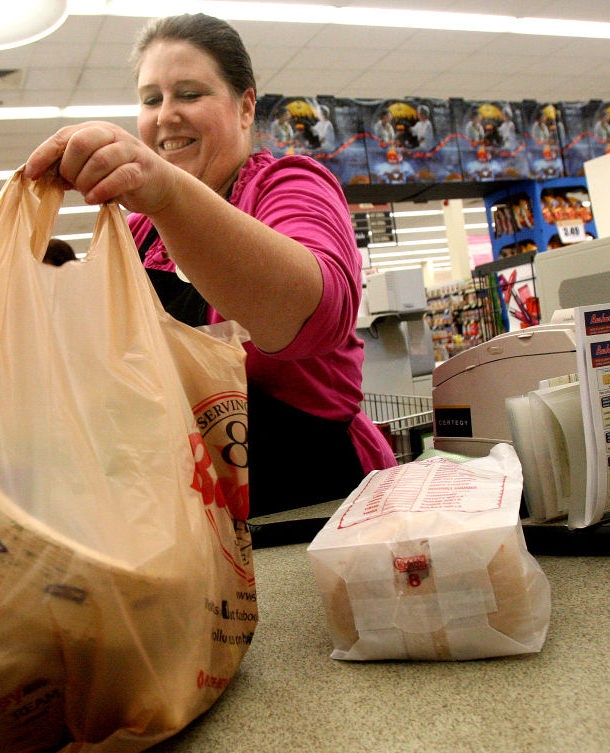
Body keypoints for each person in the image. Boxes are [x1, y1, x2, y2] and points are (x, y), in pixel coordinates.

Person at [24, 13, 395, 516]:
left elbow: (313, 313)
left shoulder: (287, 185)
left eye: (189, 94)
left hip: (317, 505)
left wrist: (167, 193)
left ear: (245, 107)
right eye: (151, 99)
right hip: (192, 508)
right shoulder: (139, 233)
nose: (165, 115)